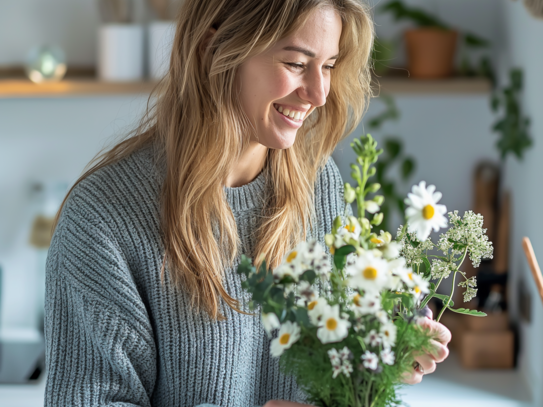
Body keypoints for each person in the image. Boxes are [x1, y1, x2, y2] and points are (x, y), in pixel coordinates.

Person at [44, 0, 451, 406]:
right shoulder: (101, 220)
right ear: (213, 50)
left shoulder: (318, 184)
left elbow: (342, 337)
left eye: (328, 66)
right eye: (295, 63)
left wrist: (396, 336)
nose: (319, 93)